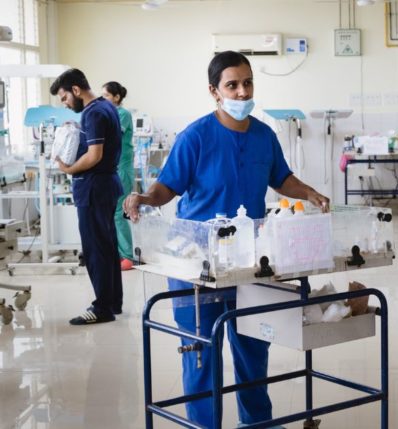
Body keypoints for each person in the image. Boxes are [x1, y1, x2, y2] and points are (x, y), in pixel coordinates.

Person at [123, 51, 329, 427]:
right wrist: (145, 198)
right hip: (196, 261)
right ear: (214, 92)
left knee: (253, 347)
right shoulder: (196, 137)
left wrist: (310, 193)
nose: (241, 92)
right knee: (201, 353)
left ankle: (256, 423)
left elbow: (281, 178)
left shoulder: (264, 135)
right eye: (232, 85)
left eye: (247, 83)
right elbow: (168, 186)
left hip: (250, 258)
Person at [50, 68, 124, 325]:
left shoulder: (93, 113)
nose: (65, 103)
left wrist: (68, 168)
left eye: (64, 97)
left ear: (76, 90)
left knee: (95, 249)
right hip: (106, 185)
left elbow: (94, 155)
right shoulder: (107, 107)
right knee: (107, 245)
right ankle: (113, 301)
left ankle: (102, 307)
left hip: (94, 187)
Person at [101, 81, 135, 271]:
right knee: (112, 213)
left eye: (106, 95)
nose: (103, 99)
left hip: (122, 168)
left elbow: (111, 135)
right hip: (113, 168)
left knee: (118, 213)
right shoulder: (110, 114)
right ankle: (120, 253)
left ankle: (128, 256)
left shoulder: (122, 114)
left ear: (116, 97)